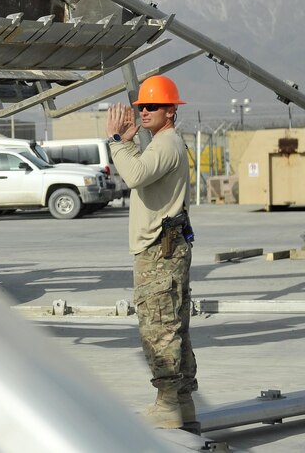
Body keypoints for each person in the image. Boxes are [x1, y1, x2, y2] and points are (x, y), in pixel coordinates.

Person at [106, 75, 198, 432]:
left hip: (159, 253)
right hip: (166, 247)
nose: (144, 111)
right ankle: (183, 402)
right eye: (141, 106)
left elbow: (135, 176)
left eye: (152, 106)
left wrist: (116, 141)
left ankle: (169, 404)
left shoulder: (166, 144)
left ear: (170, 111)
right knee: (174, 326)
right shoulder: (164, 142)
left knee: (159, 328)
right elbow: (141, 172)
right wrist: (127, 143)